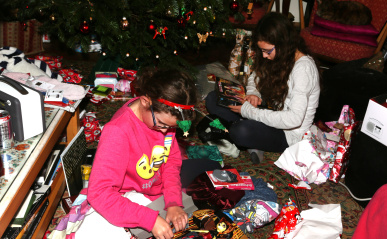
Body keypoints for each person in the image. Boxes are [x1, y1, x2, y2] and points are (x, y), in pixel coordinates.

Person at [75, 68, 221, 239]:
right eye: (162, 124)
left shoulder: (162, 118)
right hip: (133, 192)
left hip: (154, 182)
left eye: (172, 127)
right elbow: (100, 193)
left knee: (214, 168)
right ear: (145, 101)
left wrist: (173, 202)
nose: (166, 131)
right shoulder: (117, 132)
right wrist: (150, 220)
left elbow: (171, 163)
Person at [205, 12, 321, 164]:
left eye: (267, 51)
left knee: (240, 131)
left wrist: (249, 112)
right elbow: (255, 77)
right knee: (213, 99)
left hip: (288, 133)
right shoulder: (280, 55)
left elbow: (294, 119)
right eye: (262, 51)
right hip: (270, 111)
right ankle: (253, 141)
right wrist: (253, 93)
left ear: (283, 44)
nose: (264, 56)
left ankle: (245, 136)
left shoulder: (303, 70)